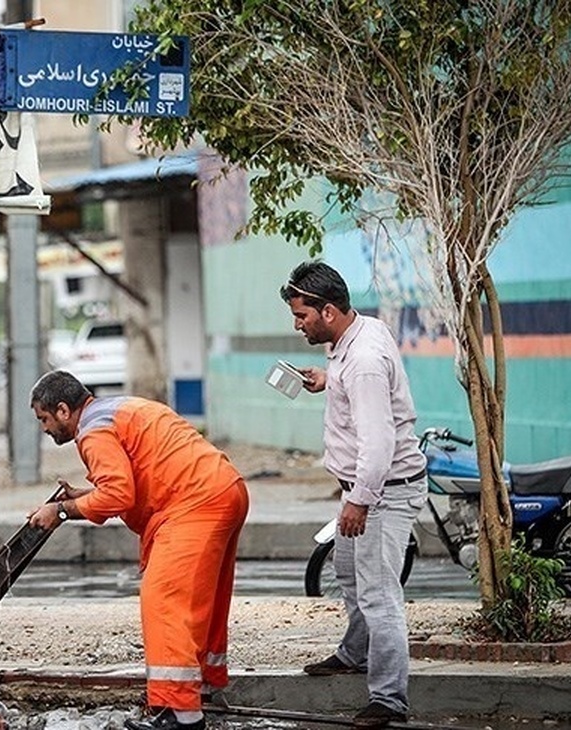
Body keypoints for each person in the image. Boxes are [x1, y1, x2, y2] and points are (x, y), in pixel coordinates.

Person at [27, 370, 249, 730]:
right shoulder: (117, 409)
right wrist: (82, 497)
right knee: (202, 601)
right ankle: (200, 688)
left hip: (194, 502)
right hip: (223, 489)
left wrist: (62, 511)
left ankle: (182, 715)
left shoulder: (92, 432)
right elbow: (135, 478)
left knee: (164, 600)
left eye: (44, 419)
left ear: (64, 410)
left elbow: (118, 494)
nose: (45, 429)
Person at [279, 261, 427, 730]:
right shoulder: (357, 335)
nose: (296, 324)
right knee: (347, 571)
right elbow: (361, 389)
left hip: (380, 494)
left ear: (327, 312)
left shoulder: (361, 361)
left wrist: (360, 500)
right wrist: (327, 380)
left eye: (301, 316)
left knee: (380, 594)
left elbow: (378, 442)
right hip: (364, 491)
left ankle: (389, 699)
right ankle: (354, 652)